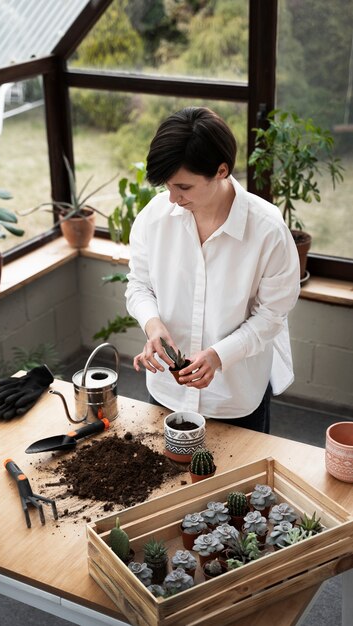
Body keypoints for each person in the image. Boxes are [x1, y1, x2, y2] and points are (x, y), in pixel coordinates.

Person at [125, 106, 300, 433]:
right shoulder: (154, 217)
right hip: (166, 392)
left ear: (221, 171)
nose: (173, 198)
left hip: (234, 398)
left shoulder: (268, 231)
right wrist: (152, 325)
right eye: (168, 186)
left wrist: (220, 355)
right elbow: (139, 285)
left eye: (184, 188)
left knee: (242, 485)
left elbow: (273, 314)